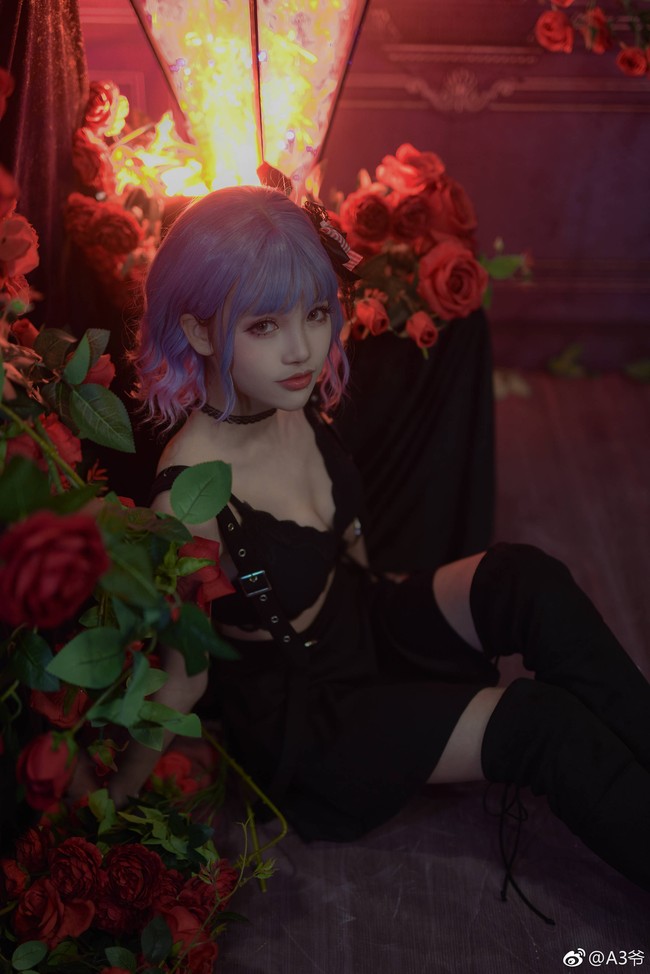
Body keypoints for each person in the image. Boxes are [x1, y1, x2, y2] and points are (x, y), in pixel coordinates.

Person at [123, 184, 650, 895]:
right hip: (317, 718)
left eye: (315, 314)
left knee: (523, 577)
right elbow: (184, 682)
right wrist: (104, 802)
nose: (303, 349)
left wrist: (428, 612)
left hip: (363, 619)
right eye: (265, 325)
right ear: (198, 332)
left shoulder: (287, 400)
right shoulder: (188, 495)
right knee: (540, 724)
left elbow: (348, 549)